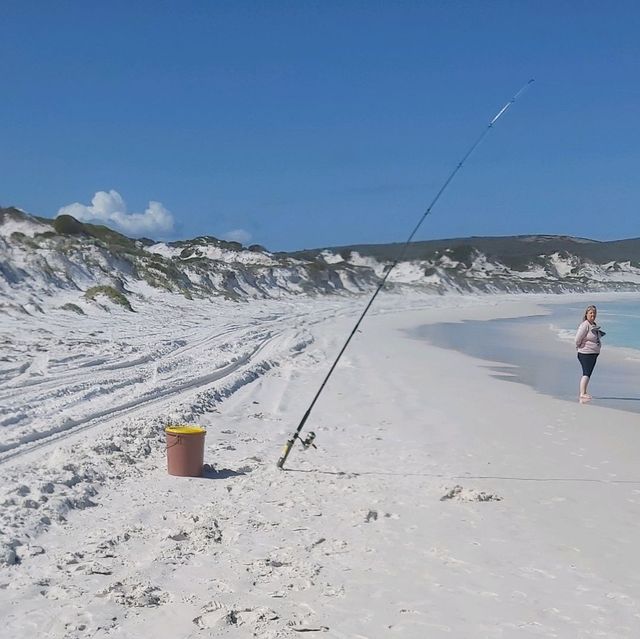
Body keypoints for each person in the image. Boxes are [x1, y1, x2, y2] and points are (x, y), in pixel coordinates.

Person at [575, 304, 605, 403]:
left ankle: (584, 392)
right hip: (585, 353)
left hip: (593, 353)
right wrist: (579, 346)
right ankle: (582, 393)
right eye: (591, 313)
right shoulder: (585, 325)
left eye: (594, 313)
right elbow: (577, 339)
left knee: (588, 373)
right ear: (586, 314)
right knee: (586, 373)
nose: (593, 315)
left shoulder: (593, 325)